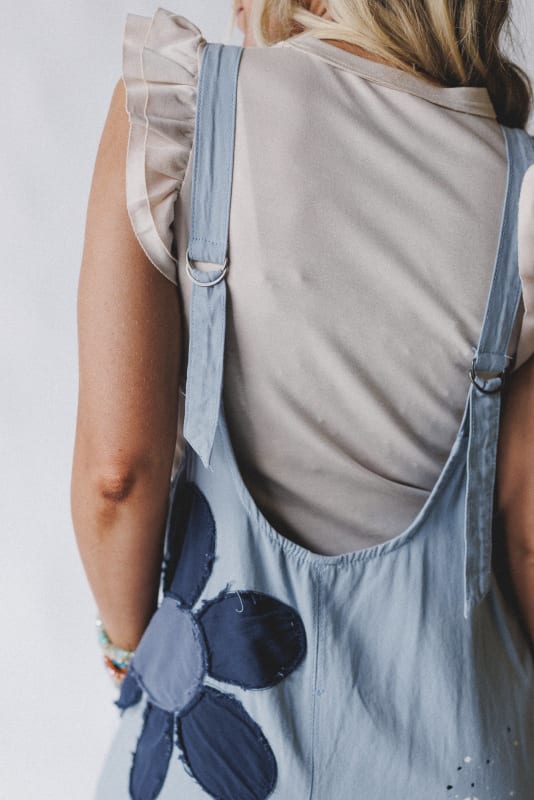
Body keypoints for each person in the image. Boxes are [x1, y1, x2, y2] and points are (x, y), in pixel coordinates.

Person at [71, 1, 534, 797]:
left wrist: (131, 647)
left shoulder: (182, 106)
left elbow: (118, 473)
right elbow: (525, 535)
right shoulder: (520, 199)